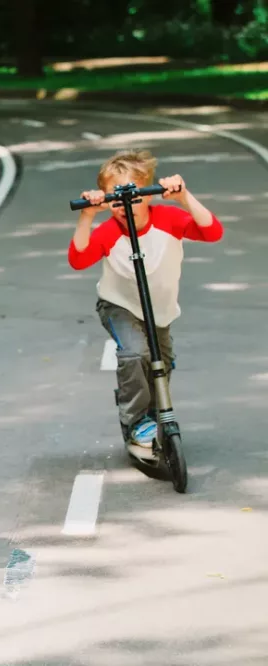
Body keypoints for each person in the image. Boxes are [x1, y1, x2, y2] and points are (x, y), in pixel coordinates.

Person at [68, 149, 224, 451]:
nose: (126, 205)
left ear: (149, 194)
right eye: (115, 199)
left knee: (162, 363)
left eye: (134, 196)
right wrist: (88, 215)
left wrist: (183, 197)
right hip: (119, 305)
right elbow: (78, 259)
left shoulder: (169, 219)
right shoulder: (108, 231)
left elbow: (212, 232)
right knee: (136, 354)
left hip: (160, 310)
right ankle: (136, 420)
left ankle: (156, 414)